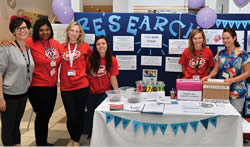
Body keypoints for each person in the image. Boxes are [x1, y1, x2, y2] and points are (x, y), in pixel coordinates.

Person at [25, 18, 61, 146]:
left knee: (47, 115)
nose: (45, 32)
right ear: (36, 31)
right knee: (42, 115)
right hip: (37, 87)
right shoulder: (30, 42)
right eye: (41, 30)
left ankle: (43, 141)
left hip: (52, 86)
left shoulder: (55, 43)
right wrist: (5, 43)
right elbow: (16, 46)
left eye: (47, 29)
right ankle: (40, 143)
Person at [0, 17, 34, 146]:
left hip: (22, 94)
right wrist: (1, 98)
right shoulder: (6, 49)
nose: (22, 30)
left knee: (16, 125)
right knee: (8, 128)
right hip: (9, 95)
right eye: (18, 28)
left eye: (24, 27)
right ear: (13, 31)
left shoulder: (28, 49)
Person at [202, 27, 250, 113]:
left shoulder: (243, 54)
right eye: (223, 38)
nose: (225, 41)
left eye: (228, 38)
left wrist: (233, 80)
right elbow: (215, 71)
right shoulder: (220, 53)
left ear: (234, 38)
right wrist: (208, 77)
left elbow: (248, 73)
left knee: (235, 118)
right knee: (222, 117)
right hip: (222, 92)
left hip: (237, 93)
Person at [59, 21, 92, 146]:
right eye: (72, 30)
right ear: (68, 31)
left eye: (77, 31)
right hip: (66, 87)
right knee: (71, 115)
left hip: (82, 86)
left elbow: (90, 65)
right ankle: (72, 137)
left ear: (80, 34)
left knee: (79, 114)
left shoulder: (85, 47)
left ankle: (75, 140)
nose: (74, 33)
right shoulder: (60, 47)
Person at [87, 35, 119, 138]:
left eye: (103, 43)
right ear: (95, 46)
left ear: (107, 45)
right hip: (90, 92)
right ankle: (92, 135)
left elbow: (113, 77)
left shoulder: (112, 60)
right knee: (91, 115)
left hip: (104, 93)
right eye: (98, 44)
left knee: (103, 115)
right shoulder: (90, 59)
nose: (101, 46)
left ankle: (103, 136)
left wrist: (117, 93)